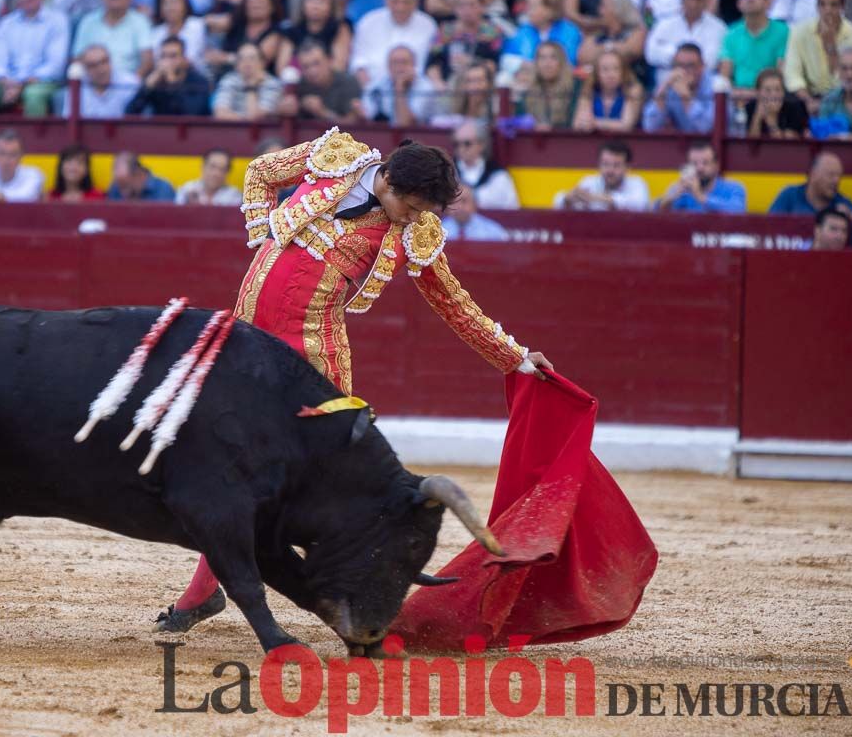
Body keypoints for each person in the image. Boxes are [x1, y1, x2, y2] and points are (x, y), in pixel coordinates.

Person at [154, 128, 553, 636]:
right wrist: (261, 233)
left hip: (312, 358)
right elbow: (260, 173)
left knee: (283, 476)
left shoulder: (413, 233)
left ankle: (365, 577)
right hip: (247, 336)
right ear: (386, 178)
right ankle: (215, 590)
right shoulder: (334, 158)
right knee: (229, 462)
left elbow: (453, 303)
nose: (413, 217)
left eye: (421, 211)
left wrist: (514, 357)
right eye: (409, 205)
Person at [784, 0, 852, 115]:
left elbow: (846, 77)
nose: (827, 10)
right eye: (822, 4)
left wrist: (830, 46)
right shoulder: (799, 32)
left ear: (842, 6)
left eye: (833, 5)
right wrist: (808, 100)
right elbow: (792, 75)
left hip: (843, 97)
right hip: (807, 96)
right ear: (817, 6)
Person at [350, 0, 436, 86]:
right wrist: (371, 92)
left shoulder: (428, 25)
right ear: (386, 0)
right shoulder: (368, 22)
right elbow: (359, 64)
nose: (400, 7)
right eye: (395, 1)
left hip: (417, 91)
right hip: (373, 90)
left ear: (415, 2)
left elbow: (429, 66)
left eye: (406, 2)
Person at [71, 0, 154, 77]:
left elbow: (147, 61)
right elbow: (77, 59)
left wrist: (133, 84)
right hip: (92, 83)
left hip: (127, 85)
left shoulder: (141, 21)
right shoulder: (88, 21)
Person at [424, 0, 503, 89]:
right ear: (455, 8)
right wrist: (438, 83)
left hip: (481, 86)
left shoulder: (491, 32)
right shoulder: (445, 31)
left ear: (482, 6)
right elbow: (432, 64)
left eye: (472, 5)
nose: (467, 10)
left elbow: (495, 65)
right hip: (449, 86)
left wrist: (473, 62)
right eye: (462, 5)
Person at [718, 0, 788, 90]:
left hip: (771, 97)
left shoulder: (783, 32)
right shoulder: (731, 33)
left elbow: (782, 73)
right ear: (738, 3)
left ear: (768, 2)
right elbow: (725, 76)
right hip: (738, 97)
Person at [644, 0, 726, 73]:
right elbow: (650, 53)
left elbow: (711, 61)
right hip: (667, 83)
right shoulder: (665, 24)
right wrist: (682, 57)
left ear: (707, 0)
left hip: (703, 86)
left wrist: (673, 55)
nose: (693, 4)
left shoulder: (719, 28)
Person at [276, 0, 352, 73]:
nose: (315, 5)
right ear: (303, 4)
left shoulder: (340, 28)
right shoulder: (291, 31)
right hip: (297, 83)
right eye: (311, 0)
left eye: (322, 1)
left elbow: (339, 66)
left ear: (331, 6)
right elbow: (281, 69)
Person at [209, 0, 285, 74]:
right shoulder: (236, 25)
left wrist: (225, 58)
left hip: (258, 80)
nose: (255, 4)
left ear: (272, 6)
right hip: (227, 76)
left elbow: (261, 60)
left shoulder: (276, 31)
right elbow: (209, 22)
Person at [278, 39, 363, 121]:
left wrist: (322, 112)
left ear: (329, 60)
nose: (312, 71)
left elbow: (351, 125)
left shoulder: (348, 83)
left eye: (316, 63)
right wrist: (283, 109)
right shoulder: (297, 85)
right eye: (306, 66)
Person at [127, 35, 211, 115]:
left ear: (184, 59)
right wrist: (146, 88)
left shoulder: (199, 82)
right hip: (159, 128)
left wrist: (173, 83)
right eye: (163, 56)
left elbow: (192, 114)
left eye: (173, 56)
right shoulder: (156, 81)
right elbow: (130, 113)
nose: (167, 61)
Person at [555, 140, 651, 211]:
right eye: (605, 164)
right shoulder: (589, 182)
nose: (610, 170)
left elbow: (641, 204)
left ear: (627, 168)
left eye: (616, 165)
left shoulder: (637, 183)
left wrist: (598, 198)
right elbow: (558, 201)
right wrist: (567, 199)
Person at [642, 42, 716, 132]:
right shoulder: (672, 85)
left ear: (702, 66)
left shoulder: (716, 86)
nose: (684, 71)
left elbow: (706, 128)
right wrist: (664, 86)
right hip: (684, 143)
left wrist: (686, 97)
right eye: (679, 65)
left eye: (690, 66)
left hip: (714, 144)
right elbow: (650, 126)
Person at [655, 141, 746, 212]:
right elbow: (654, 213)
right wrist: (670, 198)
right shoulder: (681, 190)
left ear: (716, 166)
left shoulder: (734, 187)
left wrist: (700, 196)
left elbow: (738, 210)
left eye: (705, 163)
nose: (699, 168)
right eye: (694, 163)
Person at [362, 44, 442, 125]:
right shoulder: (376, 86)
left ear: (414, 65)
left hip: (418, 136)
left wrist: (399, 87)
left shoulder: (426, 88)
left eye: (404, 62)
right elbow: (368, 118)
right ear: (388, 66)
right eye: (395, 63)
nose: (399, 67)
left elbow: (404, 124)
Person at [504, 0, 582, 71]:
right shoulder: (523, 30)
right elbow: (506, 59)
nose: (528, 12)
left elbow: (570, 61)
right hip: (528, 77)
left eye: (533, 7)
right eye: (528, 7)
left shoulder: (569, 31)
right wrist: (524, 64)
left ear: (549, 10)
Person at [55, 44, 140, 117]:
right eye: (93, 65)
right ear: (85, 69)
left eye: (104, 62)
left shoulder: (131, 84)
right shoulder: (76, 88)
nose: (101, 69)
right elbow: (68, 122)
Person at [451, 117, 517, 208]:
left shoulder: (499, 177)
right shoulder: (447, 174)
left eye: (467, 144)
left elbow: (512, 211)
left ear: (481, 145)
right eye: (456, 144)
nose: (461, 149)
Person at [572, 50, 644, 132]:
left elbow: (626, 125)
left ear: (623, 72)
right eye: (605, 70)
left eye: (616, 69)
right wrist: (585, 123)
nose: (611, 75)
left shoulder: (632, 90)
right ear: (596, 73)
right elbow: (577, 123)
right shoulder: (589, 90)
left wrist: (595, 123)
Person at [576, 0, 647, 70]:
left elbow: (630, 51)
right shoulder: (596, 34)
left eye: (604, 6)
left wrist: (601, 48)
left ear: (618, 9)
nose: (600, 11)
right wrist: (613, 47)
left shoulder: (637, 32)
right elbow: (583, 56)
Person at [769, 152, 852, 217]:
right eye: (831, 175)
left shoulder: (845, 205)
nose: (836, 181)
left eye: (839, 176)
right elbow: (770, 227)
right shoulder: (789, 195)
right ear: (813, 175)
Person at [211, 43, 282, 120]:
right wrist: (244, 119)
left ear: (262, 63)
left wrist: (251, 87)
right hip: (231, 129)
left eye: (252, 58)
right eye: (242, 59)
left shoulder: (272, 84)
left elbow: (256, 118)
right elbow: (220, 113)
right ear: (236, 65)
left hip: (262, 131)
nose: (246, 62)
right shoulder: (229, 79)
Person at [518, 40, 578, 130]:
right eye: (542, 58)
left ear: (561, 62)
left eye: (553, 58)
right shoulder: (527, 93)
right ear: (536, 63)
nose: (547, 64)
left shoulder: (574, 90)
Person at [149, 0, 207, 73]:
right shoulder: (156, 32)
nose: (170, 7)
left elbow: (190, 59)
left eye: (175, 2)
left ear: (185, 5)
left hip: (194, 76)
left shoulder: (196, 26)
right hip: (162, 76)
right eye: (165, 2)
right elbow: (155, 62)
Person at [744, 68, 809, 137]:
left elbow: (787, 143)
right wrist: (757, 117)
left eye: (778, 89)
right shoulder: (750, 107)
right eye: (767, 90)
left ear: (784, 92)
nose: (773, 94)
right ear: (758, 92)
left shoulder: (794, 106)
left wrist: (771, 119)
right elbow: (751, 143)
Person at [442, 183, 509, 241]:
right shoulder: (438, 231)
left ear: (474, 204)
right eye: (454, 202)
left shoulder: (493, 232)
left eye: (464, 201)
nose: (458, 207)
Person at [819, 46, 852, 135]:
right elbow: (822, 138)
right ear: (839, 72)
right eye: (844, 69)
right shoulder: (829, 101)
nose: (850, 75)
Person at [176, 148, 241, 205]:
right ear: (203, 167)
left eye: (222, 169)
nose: (216, 173)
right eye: (212, 167)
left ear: (227, 172)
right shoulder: (187, 190)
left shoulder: (234, 196)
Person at [106, 151, 176, 200]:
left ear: (139, 175)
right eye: (120, 187)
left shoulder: (163, 189)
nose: (123, 194)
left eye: (125, 185)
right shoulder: (115, 188)